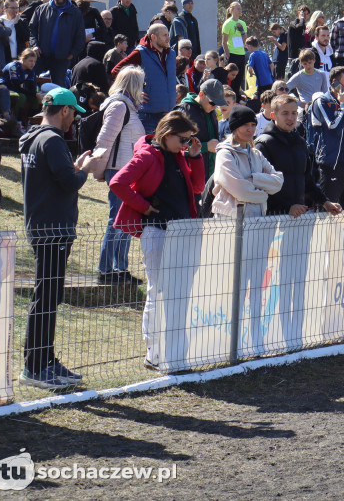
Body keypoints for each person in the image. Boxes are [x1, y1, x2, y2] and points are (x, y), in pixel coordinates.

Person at [107, 110, 205, 369]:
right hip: (157, 232)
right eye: (183, 139)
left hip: (182, 232)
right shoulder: (148, 155)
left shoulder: (180, 156)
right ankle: (154, 353)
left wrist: (195, 157)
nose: (185, 144)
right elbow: (117, 182)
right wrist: (143, 206)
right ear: (167, 134)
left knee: (180, 292)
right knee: (158, 291)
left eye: (188, 140)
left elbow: (198, 187)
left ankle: (175, 352)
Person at [19, 87, 93, 389]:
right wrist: (84, 169)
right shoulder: (52, 140)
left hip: (42, 225)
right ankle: (35, 367)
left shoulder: (34, 138)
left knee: (48, 297)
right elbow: (69, 181)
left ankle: (46, 360)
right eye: (73, 112)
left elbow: (54, 177)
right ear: (64, 110)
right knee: (46, 298)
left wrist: (73, 168)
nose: (73, 119)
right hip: (53, 230)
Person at [93, 65, 147, 285]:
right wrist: (100, 170)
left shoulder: (129, 107)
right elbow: (104, 141)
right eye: (142, 83)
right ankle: (106, 270)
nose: (144, 87)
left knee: (126, 220)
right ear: (134, 84)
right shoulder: (119, 106)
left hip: (127, 172)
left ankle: (120, 269)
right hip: (118, 171)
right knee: (116, 220)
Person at [256, 94, 341, 217]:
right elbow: (261, 186)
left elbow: (307, 181)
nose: (290, 118)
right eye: (285, 113)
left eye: (294, 113)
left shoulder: (300, 142)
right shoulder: (263, 144)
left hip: (299, 214)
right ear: (273, 115)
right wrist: (287, 208)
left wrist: (325, 202)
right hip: (271, 218)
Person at [211, 105, 284, 218]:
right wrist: (264, 195)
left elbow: (278, 182)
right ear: (235, 127)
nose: (250, 129)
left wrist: (254, 179)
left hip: (257, 218)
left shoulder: (256, 154)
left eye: (253, 124)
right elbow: (240, 191)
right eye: (245, 124)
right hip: (230, 220)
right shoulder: (225, 154)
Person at [309, 66, 344, 208]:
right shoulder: (322, 101)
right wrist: (343, 105)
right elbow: (333, 127)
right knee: (329, 210)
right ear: (335, 82)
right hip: (333, 164)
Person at [111, 23, 177, 134]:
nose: (168, 38)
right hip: (148, 117)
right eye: (164, 35)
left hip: (168, 115)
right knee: (147, 145)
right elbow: (116, 71)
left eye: (168, 34)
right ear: (153, 37)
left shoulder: (171, 54)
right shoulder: (140, 53)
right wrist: (134, 90)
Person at [28, 0, 82, 87]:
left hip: (62, 58)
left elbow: (80, 36)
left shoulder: (75, 13)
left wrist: (73, 53)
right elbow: (32, 29)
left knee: (58, 88)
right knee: (30, 82)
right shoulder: (41, 9)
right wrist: (34, 45)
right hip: (41, 54)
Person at [176, 78, 225, 179]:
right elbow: (175, 146)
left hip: (210, 173)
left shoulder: (211, 112)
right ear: (201, 94)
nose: (215, 107)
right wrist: (205, 146)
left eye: (217, 104)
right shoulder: (183, 111)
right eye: (212, 102)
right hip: (190, 174)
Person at [220, 2, 248, 95]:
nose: (240, 10)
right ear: (232, 10)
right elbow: (224, 42)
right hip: (232, 53)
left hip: (241, 54)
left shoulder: (243, 23)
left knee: (239, 77)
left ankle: (237, 96)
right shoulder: (228, 23)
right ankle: (228, 95)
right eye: (238, 9)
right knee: (230, 77)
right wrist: (227, 54)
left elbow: (245, 40)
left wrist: (242, 30)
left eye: (240, 8)